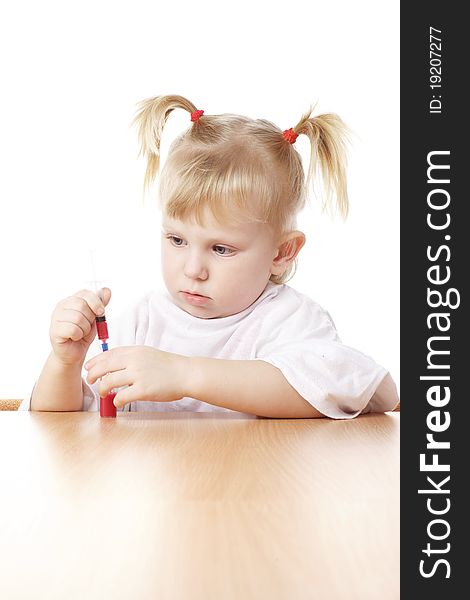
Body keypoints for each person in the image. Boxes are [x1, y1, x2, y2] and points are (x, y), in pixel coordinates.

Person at [22, 94, 399, 418]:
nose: (193, 270)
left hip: (262, 497)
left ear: (282, 253)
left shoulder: (288, 320)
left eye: (221, 249)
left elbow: (343, 388)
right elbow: (61, 430)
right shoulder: (141, 323)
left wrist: (185, 375)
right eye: (176, 239)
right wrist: (64, 365)